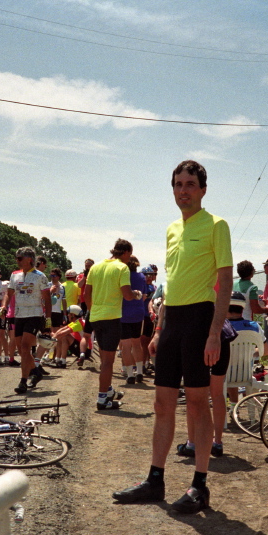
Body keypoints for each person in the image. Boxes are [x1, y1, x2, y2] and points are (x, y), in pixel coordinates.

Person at [112, 160, 232, 514]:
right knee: (162, 403)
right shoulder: (171, 229)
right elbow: (171, 283)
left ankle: (200, 486)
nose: (183, 190)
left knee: (197, 403)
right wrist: (160, 328)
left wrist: (213, 333)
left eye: (190, 184)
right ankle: (155, 479)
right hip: (173, 319)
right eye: (178, 184)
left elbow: (224, 283)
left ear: (203, 189)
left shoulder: (216, 225)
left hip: (200, 318)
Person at [176, 291, 261, 458]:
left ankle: (192, 444)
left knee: (193, 396)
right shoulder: (216, 302)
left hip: (200, 340)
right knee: (217, 394)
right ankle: (217, 443)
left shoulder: (191, 301)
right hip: (222, 340)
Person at [84, 238, 142, 410]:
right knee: (108, 362)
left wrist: (92, 310)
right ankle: (102, 399)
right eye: (129, 255)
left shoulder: (96, 266)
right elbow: (127, 295)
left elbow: (87, 293)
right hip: (111, 318)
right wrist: (137, 294)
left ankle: (108, 390)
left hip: (96, 317)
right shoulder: (121, 268)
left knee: (104, 358)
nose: (129, 259)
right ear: (125, 253)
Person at [1, 247, 50, 394]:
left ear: (29, 260)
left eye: (19, 258)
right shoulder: (14, 276)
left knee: (25, 346)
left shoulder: (40, 276)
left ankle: (23, 381)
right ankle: (36, 371)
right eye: (16, 258)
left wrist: (48, 320)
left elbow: (47, 299)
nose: (17, 261)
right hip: (19, 314)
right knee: (21, 349)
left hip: (34, 314)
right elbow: (8, 294)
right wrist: (4, 306)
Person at [119, 257, 147, 384]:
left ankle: (130, 374)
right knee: (137, 343)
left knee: (125, 346)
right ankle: (140, 372)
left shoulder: (122, 275)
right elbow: (144, 296)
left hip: (123, 313)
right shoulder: (142, 277)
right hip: (138, 312)